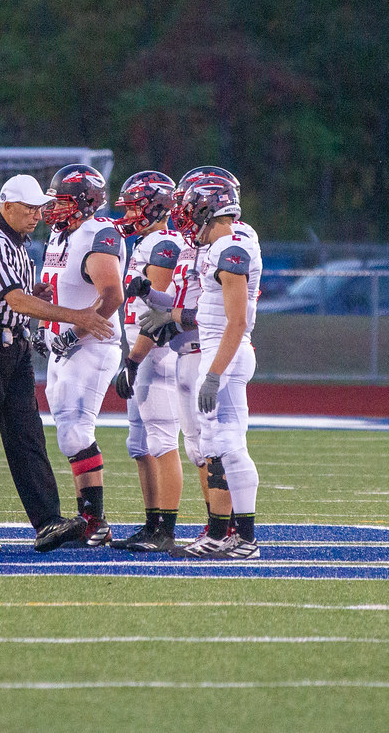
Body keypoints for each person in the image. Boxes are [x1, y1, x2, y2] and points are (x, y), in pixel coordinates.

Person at [0, 174, 114, 552]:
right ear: (6, 207)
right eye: (29, 208)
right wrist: (78, 316)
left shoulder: (17, 243)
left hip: (11, 343)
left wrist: (36, 294)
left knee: (27, 435)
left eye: (40, 207)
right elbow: (15, 301)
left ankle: (48, 521)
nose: (37, 215)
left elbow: (20, 296)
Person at [141, 174, 263, 559]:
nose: (186, 219)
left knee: (230, 446)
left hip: (223, 354)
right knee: (214, 445)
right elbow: (207, 312)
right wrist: (149, 294)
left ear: (208, 208)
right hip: (214, 350)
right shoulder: (222, 245)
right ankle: (220, 534)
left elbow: (237, 321)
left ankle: (245, 539)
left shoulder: (231, 248)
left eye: (190, 210)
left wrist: (213, 374)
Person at [38, 163, 126, 546]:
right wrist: (45, 328)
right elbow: (57, 289)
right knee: (67, 434)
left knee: (76, 431)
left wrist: (73, 334)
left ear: (84, 201)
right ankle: (92, 519)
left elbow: (112, 296)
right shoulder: (60, 236)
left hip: (92, 345)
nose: (53, 209)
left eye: (61, 201)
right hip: (63, 346)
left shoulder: (97, 234)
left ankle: (95, 522)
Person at [109, 171, 184, 552]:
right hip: (141, 353)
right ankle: (152, 523)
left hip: (157, 354)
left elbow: (155, 312)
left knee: (161, 441)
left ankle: (166, 531)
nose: (130, 213)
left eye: (136, 205)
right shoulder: (147, 242)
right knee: (140, 444)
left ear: (156, 206)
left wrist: (133, 359)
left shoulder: (165, 243)